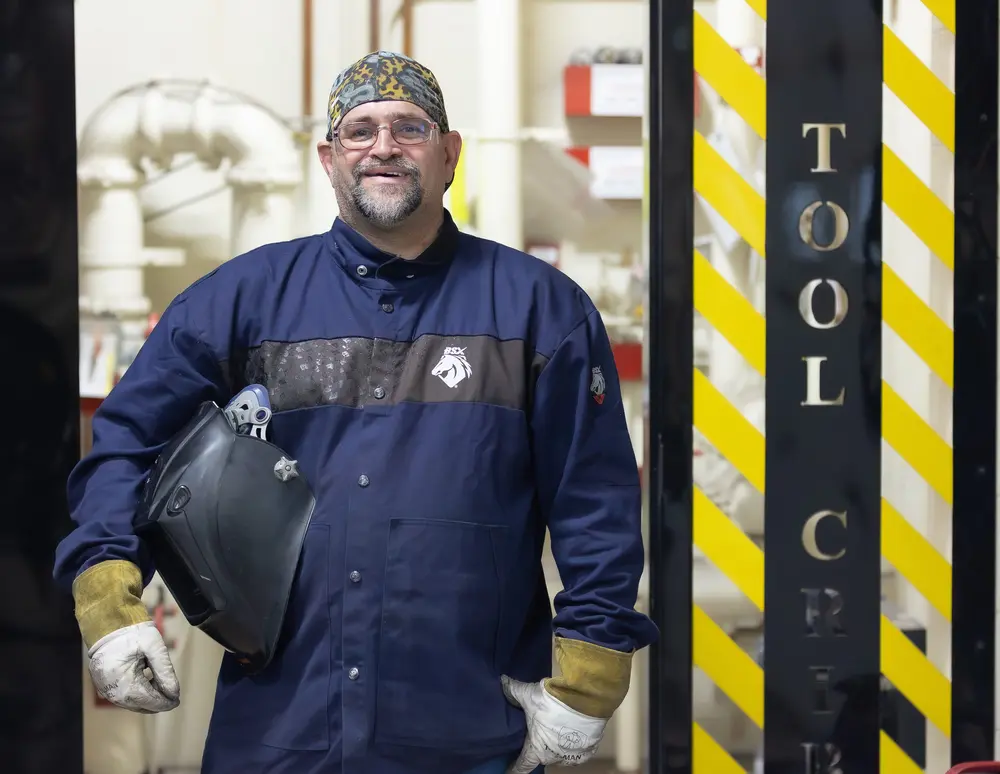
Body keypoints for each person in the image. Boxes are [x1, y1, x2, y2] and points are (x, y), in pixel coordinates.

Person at [54, 50, 658, 774]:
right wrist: (109, 599)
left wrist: (589, 677)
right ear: (328, 158)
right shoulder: (241, 301)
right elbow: (126, 444)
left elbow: (595, 502)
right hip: (279, 729)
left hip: (468, 728)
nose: (383, 146)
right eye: (359, 129)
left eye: (410, 127)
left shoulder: (540, 310)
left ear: (448, 155)